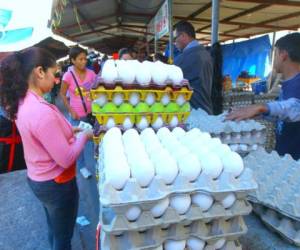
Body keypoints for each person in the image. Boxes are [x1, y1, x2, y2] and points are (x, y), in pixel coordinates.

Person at [0, 47, 93, 250]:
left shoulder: (24, 101)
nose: (56, 80)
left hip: (38, 179)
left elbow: (44, 137)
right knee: (63, 238)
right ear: (39, 71)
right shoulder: (40, 112)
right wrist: (84, 136)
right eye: (54, 74)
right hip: (56, 184)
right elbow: (66, 158)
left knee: (55, 229)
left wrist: (70, 130)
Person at [227, 33, 300, 160]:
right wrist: (260, 115)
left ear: (283, 55)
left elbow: (295, 108)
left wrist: (262, 107)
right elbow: (284, 116)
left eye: (275, 53)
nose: (273, 59)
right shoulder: (287, 83)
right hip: (285, 152)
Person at [60, 46, 97, 170]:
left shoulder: (91, 74)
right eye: (80, 59)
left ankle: (97, 163)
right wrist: (71, 110)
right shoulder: (68, 76)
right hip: (77, 115)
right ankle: (82, 167)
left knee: (94, 139)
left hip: (91, 114)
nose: (84, 61)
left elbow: (97, 89)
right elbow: (62, 94)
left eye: (85, 59)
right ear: (73, 60)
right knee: (78, 143)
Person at [174, 21, 213, 114]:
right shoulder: (207, 54)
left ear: (183, 36)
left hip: (194, 112)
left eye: (175, 38)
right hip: (208, 109)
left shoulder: (185, 57)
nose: (174, 43)